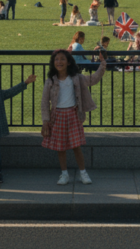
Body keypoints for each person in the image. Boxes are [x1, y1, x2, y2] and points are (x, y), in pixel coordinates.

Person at [41, 49, 106, 185]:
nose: (59, 62)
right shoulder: (50, 81)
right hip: (57, 116)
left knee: (76, 146)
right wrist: (45, 120)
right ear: (53, 63)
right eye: (56, 59)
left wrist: (102, 63)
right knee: (61, 148)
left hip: (73, 115)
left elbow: (93, 79)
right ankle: (64, 174)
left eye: (62, 59)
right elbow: (44, 101)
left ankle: (83, 173)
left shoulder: (77, 78)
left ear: (69, 62)